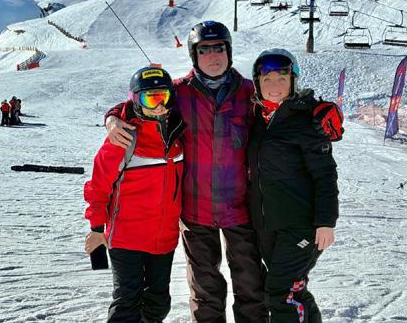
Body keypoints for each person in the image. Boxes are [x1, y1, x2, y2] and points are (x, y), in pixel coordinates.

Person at [105, 22, 343, 323]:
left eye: (219, 48)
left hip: (241, 208)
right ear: (194, 56)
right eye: (204, 50)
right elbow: (142, 102)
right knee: (205, 289)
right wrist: (113, 118)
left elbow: (288, 105)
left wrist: (318, 110)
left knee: (251, 285)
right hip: (196, 208)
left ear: (228, 52)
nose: (213, 56)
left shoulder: (249, 93)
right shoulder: (179, 93)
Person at [84, 66, 186, 323]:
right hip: (127, 237)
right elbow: (98, 185)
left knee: (158, 302)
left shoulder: (178, 134)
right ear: (135, 100)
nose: (158, 106)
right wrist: (96, 228)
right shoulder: (123, 137)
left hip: (164, 237)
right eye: (149, 99)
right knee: (127, 301)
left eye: (162, 97)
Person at [247, 49, 339, 323]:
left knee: (281, 293)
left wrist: (326, 222)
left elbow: (325, 174)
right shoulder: (258, 119)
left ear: (293, 81)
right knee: (294, 288)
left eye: (282, 79)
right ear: (257, 83)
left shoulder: (307, 120)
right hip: (268, 225)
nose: (274, 86)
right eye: (267, 80)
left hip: (301, 226)